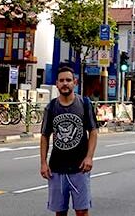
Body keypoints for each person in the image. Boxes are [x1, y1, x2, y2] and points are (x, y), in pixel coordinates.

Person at [40, 65, 98, 216]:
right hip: (57, 168)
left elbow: (93, 131)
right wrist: (43, 163)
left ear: (75, 82)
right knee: (60, 212)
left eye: (68, 80)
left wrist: (89, 157)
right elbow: (45, 136)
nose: (65, 83)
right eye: (61, 81)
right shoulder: (51, 107)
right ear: (57, 84)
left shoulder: (84, 104)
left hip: (80, 168)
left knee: (82, 211)